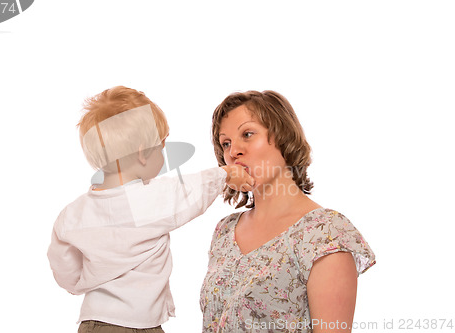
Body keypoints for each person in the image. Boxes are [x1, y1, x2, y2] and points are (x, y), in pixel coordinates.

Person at [47, 86, 254, 333]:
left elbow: (63, 266)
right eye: (161, 146)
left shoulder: (73, 214)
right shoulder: (147, 200)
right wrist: (227, 174)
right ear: (143, 154)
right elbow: (190, 192)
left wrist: (82, 282)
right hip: (137, 326)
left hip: (93, 321)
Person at [200, 90, 376, 333]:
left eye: (248, 134)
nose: (233, 152)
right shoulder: (225, 230)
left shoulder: (325, 233)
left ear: (283, 138)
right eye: (226, 143)